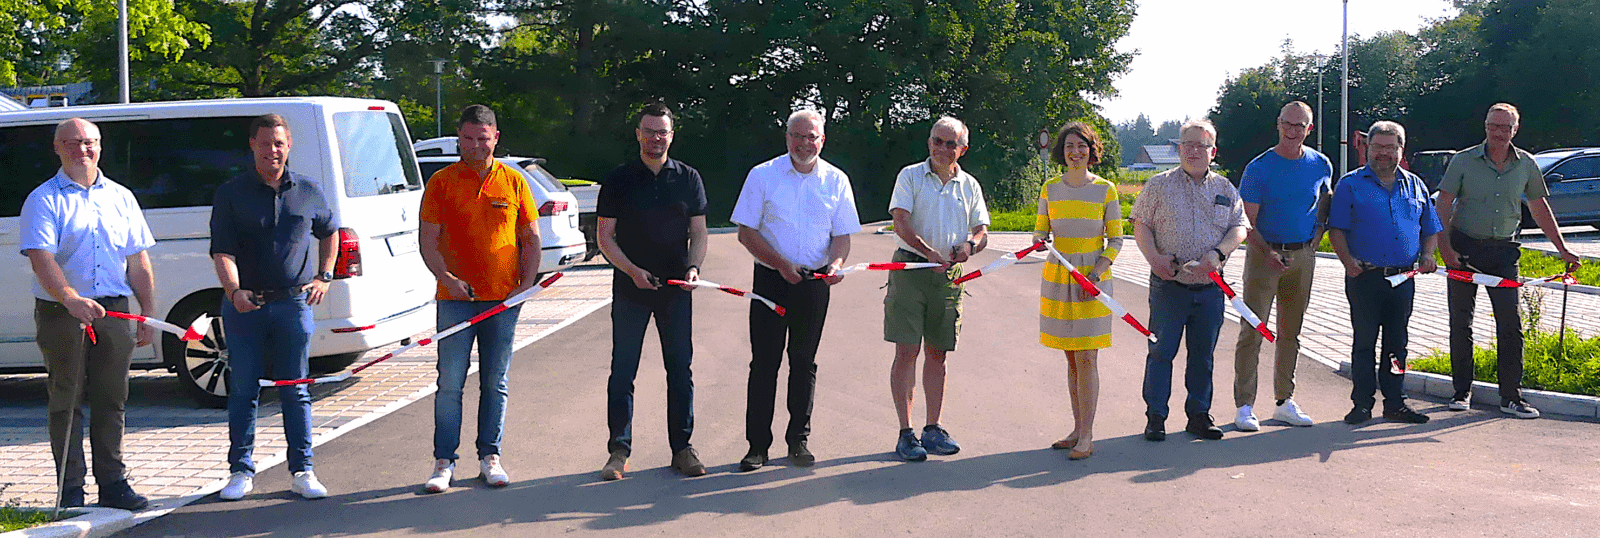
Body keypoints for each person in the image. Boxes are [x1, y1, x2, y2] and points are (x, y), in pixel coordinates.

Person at [21, 118, 154, 511]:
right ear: (57, 148)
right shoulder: (44, 199)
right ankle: (71, 489)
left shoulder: (121, 197)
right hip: (62, 312)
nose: (83, 149)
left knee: (112, 398)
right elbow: (41, 258)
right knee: (67, 400)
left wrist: (147, 311)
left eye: (89, 142)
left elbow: (137, 259)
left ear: (100, 146)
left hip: (115, 310)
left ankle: (113, 483)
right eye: (73, 143)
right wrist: (69, 298)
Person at [210, 114, 335, 501]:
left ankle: (303, 470)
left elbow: (330, 232)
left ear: (289, 145)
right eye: (265, 143)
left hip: (294, 304)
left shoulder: (308, 190)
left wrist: (324, 276)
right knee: (243, 389)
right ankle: (240, 471)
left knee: (295, 389)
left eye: (279, 143)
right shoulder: (231, 193)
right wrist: (234, 291)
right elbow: (222, 251)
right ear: (253, 145)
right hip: (245, 306)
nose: (272, 151)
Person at [730, 109, 861, 471]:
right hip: (772, 280)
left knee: (804, 362)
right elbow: (746, 233)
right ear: (787, 137)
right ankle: (757, 446)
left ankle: (798, 441)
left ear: (823, 140)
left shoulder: (836, 180)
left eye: (811, 137)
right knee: (765, 363)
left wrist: (835, 264)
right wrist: (781, 265)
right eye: (798, 136)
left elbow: (842, 236)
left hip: (815, 283)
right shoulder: (763, 175)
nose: (804, 143)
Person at [419, 105, 541, 492]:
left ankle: (490, 456)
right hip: (454, 300)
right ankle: (444, 461)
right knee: (450, 383)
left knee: (495, 381)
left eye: (483, 139)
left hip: (502, 302)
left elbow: (531, 238)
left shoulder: (514, 181)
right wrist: (447, 278)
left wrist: (525, 284)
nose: (475, 146)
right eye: (468, 138)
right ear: (459, 138)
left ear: (496, 138)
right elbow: (427, 241)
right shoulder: (441, 182)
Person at [1436, 103, 1579, 419]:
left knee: (1511, 324)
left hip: (1503, 252)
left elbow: (1539, 208)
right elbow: (1443, 206)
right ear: (1485, 126)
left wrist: (1563, 249)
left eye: (1505, 127)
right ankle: (1461, 391)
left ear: (1515, 129)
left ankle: (1511, 396)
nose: (1498, 133)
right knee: (1461, 322)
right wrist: (1445, 250)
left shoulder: (1526, 163)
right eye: (1493, 126)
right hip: (1463, 249)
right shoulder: (1464, 160)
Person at [596, 102, 709, 480]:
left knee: (679, 369)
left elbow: (699, 232)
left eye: (662, 132)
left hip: (676, 289)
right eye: (649, 131)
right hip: (631, 288)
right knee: (623, 369)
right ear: (638, 134)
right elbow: (605, 237)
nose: (655, 138)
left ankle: (682, 448)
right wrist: (632, 271)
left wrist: (694, 267)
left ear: (671, 136)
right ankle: (618, 450)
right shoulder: (619, 179)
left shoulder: (688, 178)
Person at [1128, 119, 1248, 442]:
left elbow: (1239, 227)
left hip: (1210, 289)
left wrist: (1219, 254)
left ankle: (1198, 415)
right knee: (1161, 352)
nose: (1194, 151)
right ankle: (1156, 417)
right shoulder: (1159, 185)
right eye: (1188, 145)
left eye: (1201, 146)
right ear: (1179, 149)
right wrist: (1154, 259)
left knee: (1203, 356)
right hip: (1169, 285)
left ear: (1213, 151)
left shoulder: (1226, 189)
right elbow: (1141, 224)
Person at [885, 116, 990, 462]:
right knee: (906, 351)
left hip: (949, 277)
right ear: (929, 142)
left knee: (938, 353)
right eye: (937, 141)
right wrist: (927, 251)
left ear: (963, 149)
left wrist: (970, 246)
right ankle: (906, 433)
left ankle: (933, 428)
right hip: (911, 269)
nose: (942, 149)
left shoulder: (969, 185)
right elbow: (900, 221)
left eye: (950, 144)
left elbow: (981, 231)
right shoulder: (910, 176)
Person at [1328, 121, 1438, 425]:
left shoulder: (1416, 185)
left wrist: (1428, 255)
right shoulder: (1350, 185)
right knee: (1364, 342)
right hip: (1365, 277)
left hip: (1403, 279)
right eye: (1377, 147)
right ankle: (1362, 404)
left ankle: (1395, 403)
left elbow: (1430, 228)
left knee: (1397, 344)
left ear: (1401, 149)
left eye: (1390, 147)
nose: (1383, 153)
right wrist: (1348, 263)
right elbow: (1336, 229)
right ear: (1367, 148)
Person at [1231, 101, 1331, 431]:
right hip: (1264, 256)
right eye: (1287, 124)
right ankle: (1245, 405)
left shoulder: (1321, 164)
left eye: (1299, 125)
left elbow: (1325, 201)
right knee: (1252, 329)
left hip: (1302, 256)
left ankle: (1284, 400)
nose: (1292, 131)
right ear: (1278, 124)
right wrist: (1267, 251)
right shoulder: (1259, 168)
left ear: (1309, 129)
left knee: (1291, 332)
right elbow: (1247, 222)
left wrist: (1317, 236)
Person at [1034, 122, 1121, 460]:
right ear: (1062, 151)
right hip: (1059, 278)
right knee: (1071, 358)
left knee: (1087, 357)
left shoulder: (1106, 190)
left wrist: (1095, 275)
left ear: (1091, 150)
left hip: (1092, 280)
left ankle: (1087, 435)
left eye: (1082, 146)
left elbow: (1115, 241)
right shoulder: (1050, 188)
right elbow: (1040, 232)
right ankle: (1077, 428)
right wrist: (1038, 241)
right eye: (1070, 146)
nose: (1076, 152)